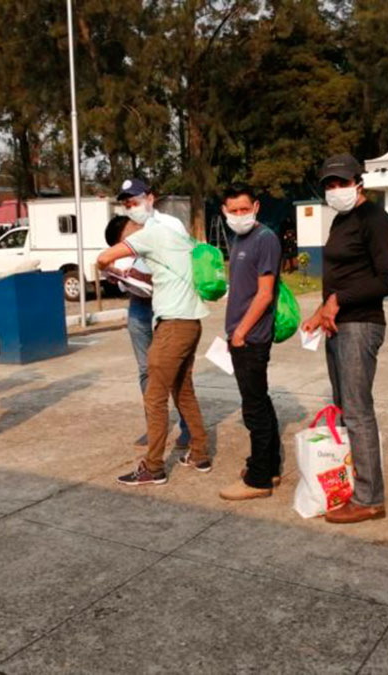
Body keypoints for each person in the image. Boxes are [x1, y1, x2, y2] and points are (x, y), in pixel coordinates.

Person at [302, 153, 388, 524]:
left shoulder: (374, 218)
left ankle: (370, 497)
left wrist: (338, 301)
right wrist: (320, 311)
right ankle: (352, 483)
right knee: (345, 407)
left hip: (361, 324)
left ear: (359, 181)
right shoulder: (343, 220)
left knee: (357, 412)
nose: (335, 189)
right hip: (339, 323)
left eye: (342, 182)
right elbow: (342, 276)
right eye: (329, 184)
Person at [97, 178, 210, 486]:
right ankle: (199, 453)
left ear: (150, 198)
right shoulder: (175, 231)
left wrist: (107, 267)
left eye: (135, 201)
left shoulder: (153, 233)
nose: (131, 209)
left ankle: (154, 466)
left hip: (173, 324)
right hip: (191, 320)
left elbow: (103, 258)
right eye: (127, 204)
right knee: (183, 390)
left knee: (154, 396)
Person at [217, 184, 283, 500]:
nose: (240, 215)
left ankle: (258, 481)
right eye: (234, 211)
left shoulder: (265, 239)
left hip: (252, 338)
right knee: (260, 401)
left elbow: (265, 292)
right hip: (242, 335)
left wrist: (241, 332)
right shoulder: (239, 238)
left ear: (255, 206)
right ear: (224, 211)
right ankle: (268, 466)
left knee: (253, 408)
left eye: (245, 209)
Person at [103, 214, 190, 451]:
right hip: (139, 308)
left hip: (168, 309)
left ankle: (188, 427)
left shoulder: (166, 229)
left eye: (125, 241)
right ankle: (154, 428)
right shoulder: (128, 250)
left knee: (174, 370)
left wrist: (144, 277)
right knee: (145, 370)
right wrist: (118, 276)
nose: (126, 248)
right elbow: (124, 279)